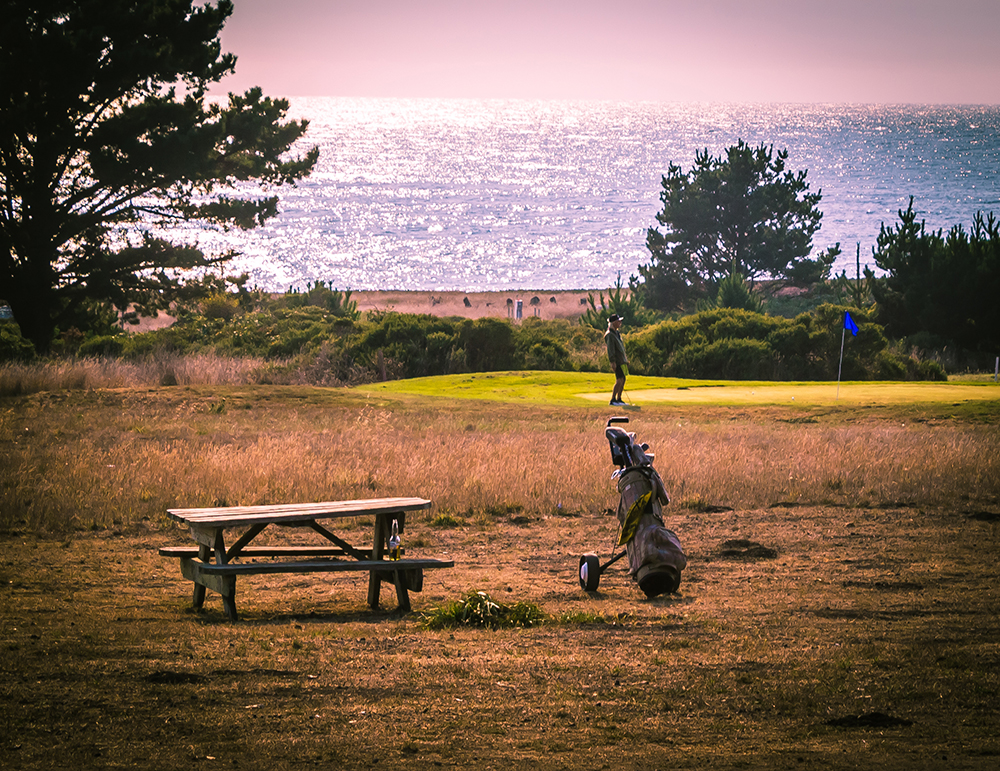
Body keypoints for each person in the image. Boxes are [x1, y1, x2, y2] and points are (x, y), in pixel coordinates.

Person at [604, 313, 628, 406]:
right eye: (618, 322)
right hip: (617, 361)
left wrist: (625, 360)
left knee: (623, 379)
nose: (620, 323)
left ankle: (619, 399)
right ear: (613, 323)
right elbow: (611, 349)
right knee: (619, 379)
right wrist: (612, 361)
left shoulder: (617, 333)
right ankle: (613, 399)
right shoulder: (610, 335)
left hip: (622, 360)